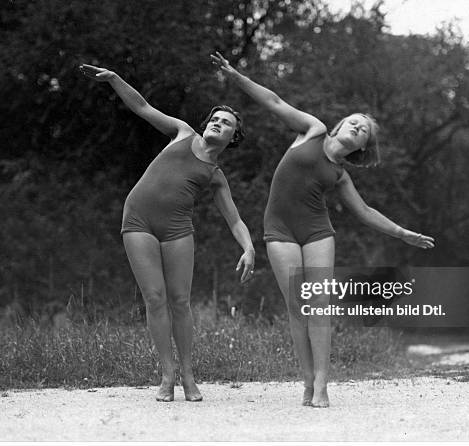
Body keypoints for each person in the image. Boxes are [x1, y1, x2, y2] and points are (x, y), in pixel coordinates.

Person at [211, 52, 434, 408]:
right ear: (339, 125)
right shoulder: (311, 130)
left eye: (364, 130)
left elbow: (364, 211)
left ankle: (322, 384)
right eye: (355, 122)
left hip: (317, 233)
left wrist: (402, 232)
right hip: (279, 230)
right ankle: (306, 380)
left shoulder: (340, 174)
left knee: (319, 304)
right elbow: (273, 101)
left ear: (361, 147)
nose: (358, 127)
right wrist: (237, 77)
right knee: (298, 307)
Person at [80, 63, 255, 402]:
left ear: (232, 137)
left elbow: (234, 219)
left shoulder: (215, 175)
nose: (217, 123)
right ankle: (167, 374)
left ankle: (189, 374)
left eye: (226, 123)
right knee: (155, 298)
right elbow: (142, 107)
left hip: (177, 229)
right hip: (138, 220)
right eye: (215, 119)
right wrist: (115, 79)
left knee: (180, 300)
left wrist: (248, 248)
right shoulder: (182, 131)